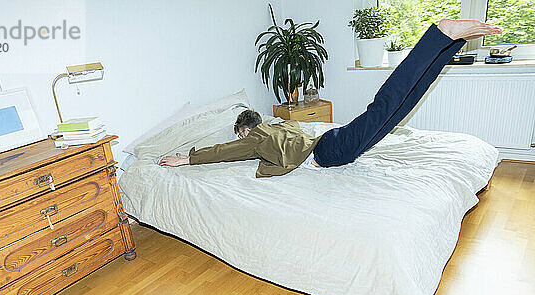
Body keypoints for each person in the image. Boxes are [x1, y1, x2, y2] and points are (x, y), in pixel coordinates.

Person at [160, 19, 501, 178]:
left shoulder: (258, 136)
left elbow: (224, 152)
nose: (242, 142)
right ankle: (448, 44)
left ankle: (438, 35)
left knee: (387, 105)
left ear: (247, 130)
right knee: (396, 109)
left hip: (330, 151)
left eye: (242, 136)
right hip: (330, 142)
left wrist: (187, 159)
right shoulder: (282, 125)